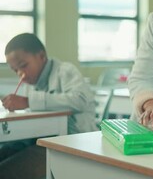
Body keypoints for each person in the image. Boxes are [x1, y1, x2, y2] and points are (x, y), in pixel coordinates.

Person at [0, 33, 98, 178]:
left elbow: (81, 100)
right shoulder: (30, 82)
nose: (21, 73)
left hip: (73, 144)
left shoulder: (64, 71)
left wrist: (28, 102)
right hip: (39, 140)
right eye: (15, 70)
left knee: (6, 171)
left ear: (41, 55)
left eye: (23, 65)